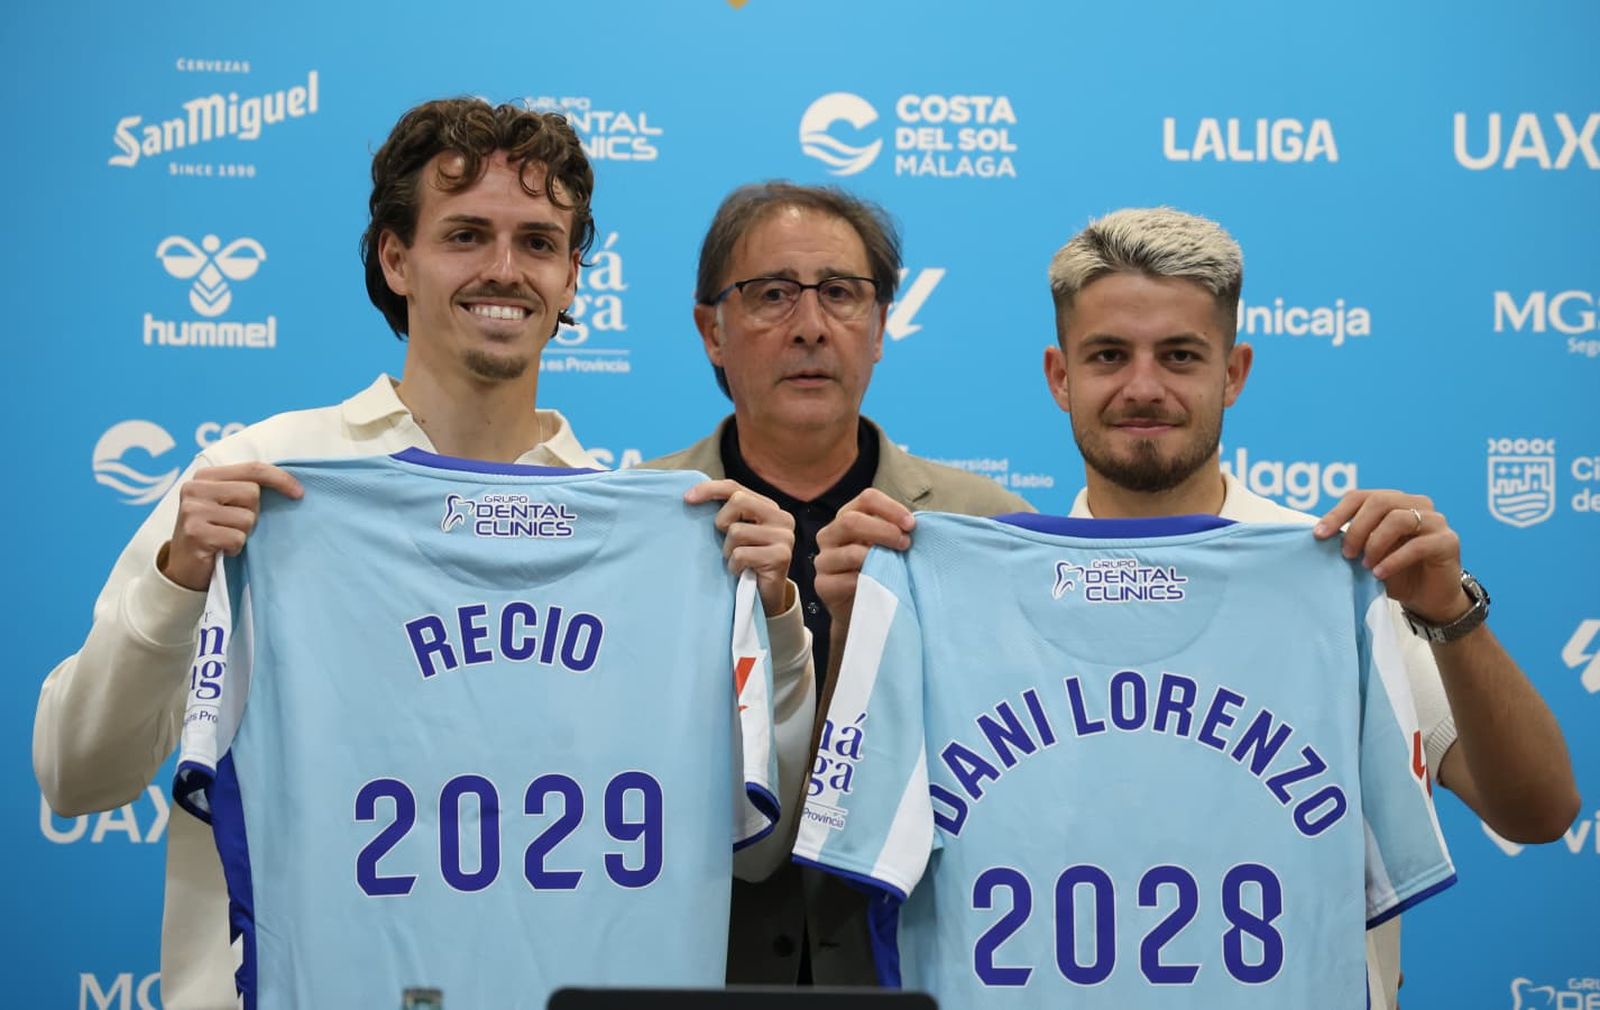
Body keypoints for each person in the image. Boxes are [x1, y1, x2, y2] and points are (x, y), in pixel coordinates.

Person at [34, 98, 811, 1010]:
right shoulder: (258, 483)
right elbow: (77, 774)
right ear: (395, 259)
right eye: (466, 234)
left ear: (571, 280)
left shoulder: (642, 534)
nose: (503, 270)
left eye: (538, 243)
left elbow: (756, 848)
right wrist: (176, 585)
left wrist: (778, 630)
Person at [813, 206, 1580, 1007]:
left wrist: (1450, 613)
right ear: (1060, 376)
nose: (1143, 388)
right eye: (1108, 355)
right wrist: (854, 631)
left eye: (1180, 355)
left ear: (1234, 371)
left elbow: (1538, 809)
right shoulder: (974, 603)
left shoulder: (1339, 581)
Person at [642, 181, 1030, 985]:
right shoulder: (645, 526)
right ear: (711, 329)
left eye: (842, 295)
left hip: (912, 969)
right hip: (695, 970)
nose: (811, 327)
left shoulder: (987, 528)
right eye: (772, 295)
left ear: (883, 325)